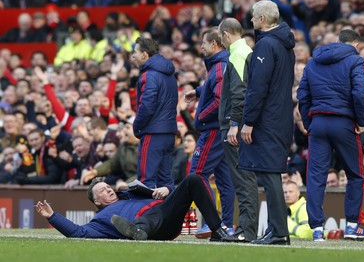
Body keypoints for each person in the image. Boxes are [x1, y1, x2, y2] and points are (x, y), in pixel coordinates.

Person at [297, 29, 364, 241]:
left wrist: (309, 122)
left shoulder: (313, 61)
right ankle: (352, 226)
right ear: (355, 45)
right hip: (344, 122)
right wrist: (361, 121)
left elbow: (302, 94)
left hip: (318, 123)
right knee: (355, 174)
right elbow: (360, 92)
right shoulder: (356, 61)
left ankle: (317, 229)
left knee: (315, 177)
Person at [238, 0, 295, 245]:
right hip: (280, 115)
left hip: (268, 119)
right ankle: (277, 229)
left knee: (271, 174)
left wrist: (248, 121)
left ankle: (279, 231)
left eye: (252, 17)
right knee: (271, 173)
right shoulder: (285, 44)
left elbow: (257, 87)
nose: (250, 21)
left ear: (261, 19)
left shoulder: (266, 45)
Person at [36, 174, 237, 242]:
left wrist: (167, 190)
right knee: (144, 218)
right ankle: (138, 231)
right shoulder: (100, 221)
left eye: (108, 187)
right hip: (152, 225)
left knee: (193, 179)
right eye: (104, 191)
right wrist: (53, 216)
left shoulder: (131, 194)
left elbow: (168, 192)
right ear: (97, 202)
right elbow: (78, 233)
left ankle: (218, 231)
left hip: (166, 214)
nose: (109, 190)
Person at [184, 28, 235, 237]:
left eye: (203, 43)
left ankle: (212, 222)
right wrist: (198, 91)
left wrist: (201, 116)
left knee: (197, 175)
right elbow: (215, 87)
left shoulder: (220, 65)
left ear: (214, 44)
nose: (201, 47)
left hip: (213, 129)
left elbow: (220, 98)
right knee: (224, 179)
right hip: (219, 129)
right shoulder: (219, 65)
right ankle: (227, 225)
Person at [217, 17, 258, 242]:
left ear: (225, 34)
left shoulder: (238, 54)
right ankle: (246, 229)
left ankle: (246, 230)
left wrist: (234, 124)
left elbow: (240, 92)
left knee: (243, 179)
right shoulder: (243, 51)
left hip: (235, 127)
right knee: (244, 178)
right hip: (238, 124)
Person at [131, 37, 178, 199]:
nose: (132, 56)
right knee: (166, 182)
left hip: (152, 133)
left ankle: (144, 223)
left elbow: (147, 106)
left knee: (146, 182)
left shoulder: (149, 75)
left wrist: (136, 126)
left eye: (135, 52)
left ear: (144, 54)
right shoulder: (170, 75)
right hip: (169, 133)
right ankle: (169, 222)